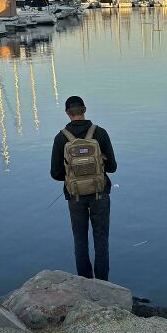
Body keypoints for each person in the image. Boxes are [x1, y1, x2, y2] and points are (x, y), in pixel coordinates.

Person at [50, 96, 117, 280]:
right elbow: (112, 167)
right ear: (84, 109)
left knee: (80, 241)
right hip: (100, 194)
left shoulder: (61, 138)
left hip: (75, 196)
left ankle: (84, 284)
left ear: (67, 112)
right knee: (101, 239)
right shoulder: (100, 133)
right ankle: (103, 283)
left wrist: (73, 176)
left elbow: (55, 173)